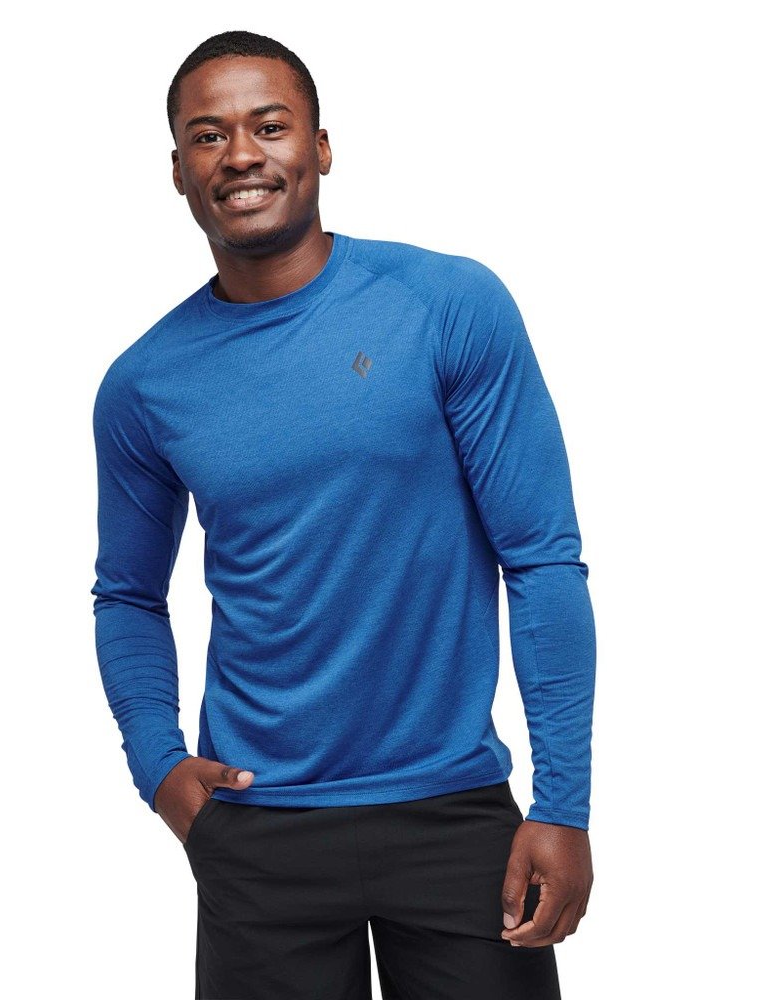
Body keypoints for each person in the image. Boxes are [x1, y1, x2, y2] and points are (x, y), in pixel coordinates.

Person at [90, 28, 596, 1000]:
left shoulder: (447, 305)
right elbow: (127, 596)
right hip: (256, 828)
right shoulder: (144, 384)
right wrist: (160, 765)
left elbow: (540, 558)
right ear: (178, 170)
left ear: (320, 147)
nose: (241, 154)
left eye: (269, 126)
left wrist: (562, 801)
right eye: (208, 135)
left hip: (453, 814)